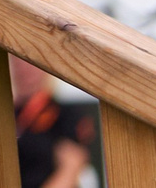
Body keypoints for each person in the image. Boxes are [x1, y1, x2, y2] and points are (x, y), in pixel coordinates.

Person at [10, 56, 96, 188]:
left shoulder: (63, 114)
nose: (23, 69)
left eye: (29, 63)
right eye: (17, 63)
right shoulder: (6, 114)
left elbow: (72, 166)